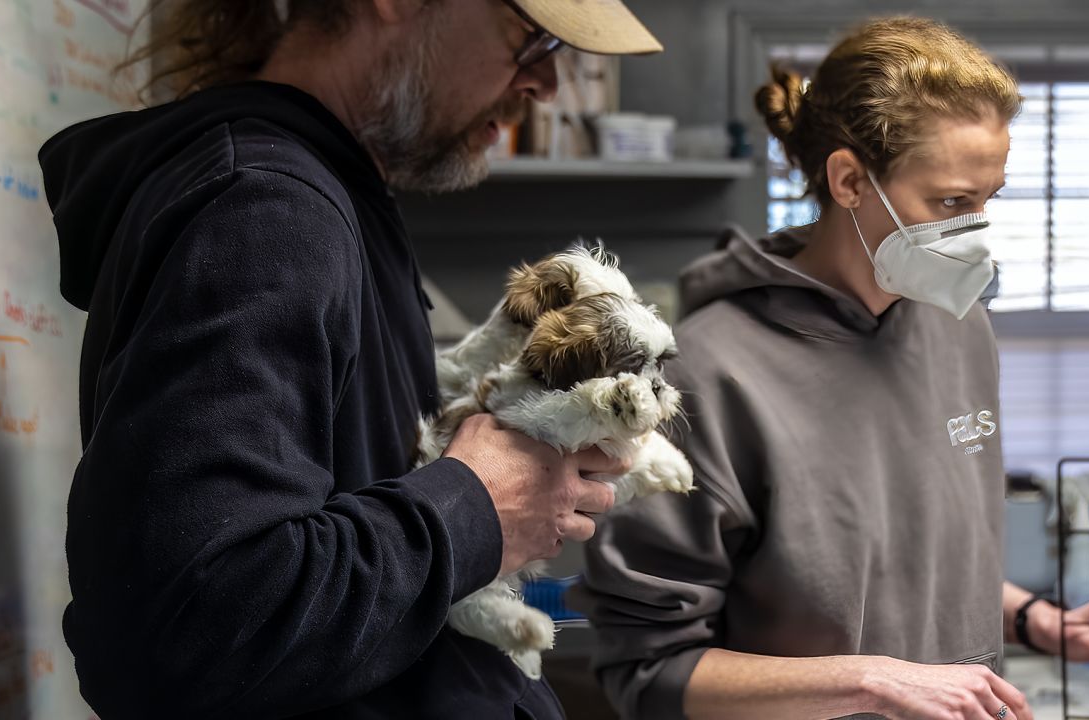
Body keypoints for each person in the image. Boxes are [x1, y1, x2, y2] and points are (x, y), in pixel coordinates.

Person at [38, 0, 662, 717]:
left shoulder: (329, 198)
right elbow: (185, 634)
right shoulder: (266, 210)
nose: (548, 83)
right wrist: (477, 508)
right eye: (534, 39)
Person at [571, 16, 1089, 720]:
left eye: (987, 201)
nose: (975, 232)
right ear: (851, 180)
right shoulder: (707, 375)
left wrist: (1034, 618)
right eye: (951, 202)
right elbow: (648, 670)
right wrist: (869, 682)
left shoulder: (962, 328)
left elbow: (900, 568)